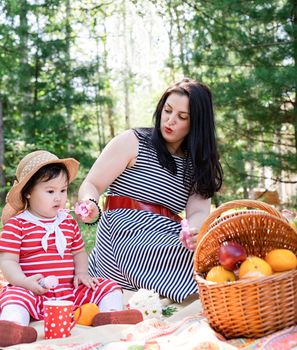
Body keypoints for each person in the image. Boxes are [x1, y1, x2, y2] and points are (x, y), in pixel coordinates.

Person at [78, 78, 223, 303]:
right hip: (123, 236)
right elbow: (92, 184)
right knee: (206, 268)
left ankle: (231, 295)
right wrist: (90, 203)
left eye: (182, 117)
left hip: (166, 237)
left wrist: (194, 232)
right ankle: (203, 292)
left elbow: (198, 213)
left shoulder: (197, 165)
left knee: (217, 252)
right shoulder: (133, 141)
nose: (170, 120)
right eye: (167, 110)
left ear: (197, 124)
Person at [0, 151, 142, 347]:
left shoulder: (67, 221)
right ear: (28, 192)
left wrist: (82, 273)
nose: (58, 198)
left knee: (107, 286)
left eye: (63, 190)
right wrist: (23, 281)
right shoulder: (18, 224)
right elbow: (8, 261)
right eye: (50, 191)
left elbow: (78, 252)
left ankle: (111, 315)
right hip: (33, 292)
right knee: (14, 297)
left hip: (69, 293)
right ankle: (14, 328)